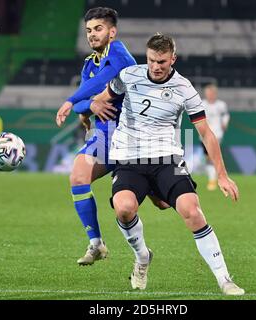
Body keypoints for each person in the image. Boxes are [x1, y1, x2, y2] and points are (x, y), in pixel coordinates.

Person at [91, 34, 244, 295]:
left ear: (173, 58)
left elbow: (206, 133)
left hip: (167, 160)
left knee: (192, 211)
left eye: (162, 61)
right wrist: (93, 104)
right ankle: (142, 257)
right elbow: (102, 98)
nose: (156, 66)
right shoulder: (128, 76)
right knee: (124, 209)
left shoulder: (184, 89)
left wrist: (222, 175)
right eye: (151, 60)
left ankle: (224, 279)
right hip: (130, 160)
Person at [55, 7, 168, 266]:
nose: (92, 35)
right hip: (105, 134)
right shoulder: (88, 65)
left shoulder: (119, 54)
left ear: (112, 32)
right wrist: (88, 105)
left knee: (162, 203)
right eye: (88, 31)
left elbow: (104, 81)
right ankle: (96, 243)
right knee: (78, 176)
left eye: (98, 29)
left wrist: (73, 101)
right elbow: (86, 98)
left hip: (135, 137)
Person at [202, 83, 230, 191]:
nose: (209, 95)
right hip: (204, 135)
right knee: (208, 158)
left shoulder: (221, 105)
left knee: (211, 156)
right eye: (207, 93)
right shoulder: (202, 104)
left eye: (211, 93)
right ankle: (214, 179)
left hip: (216, 134)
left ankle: (213, 181)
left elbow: (226, 115)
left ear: (215, 94)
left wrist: (225, 123)